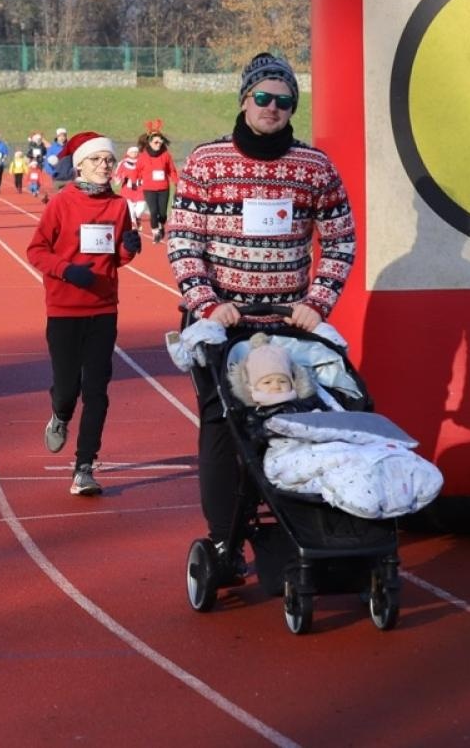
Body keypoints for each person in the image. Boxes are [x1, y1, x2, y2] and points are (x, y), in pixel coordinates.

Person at [167, 52, 355, 572]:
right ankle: (224, 539)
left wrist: (316, 305)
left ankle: (304, 529)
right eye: (263, 98)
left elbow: (340, 242)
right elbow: (183, 240)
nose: (273, 108)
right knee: (224, 427)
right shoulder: (208, 162)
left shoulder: (314, 167)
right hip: (222, 322)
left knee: (296, 422)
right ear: (244, 100)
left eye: (284, 101)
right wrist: (210, 305)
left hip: (287, 327)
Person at [25, 131, 142, 496]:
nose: (104, 166)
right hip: (64, 308)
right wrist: (66, 270)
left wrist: (129, 249)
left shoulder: (119, 206)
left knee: (97, 390)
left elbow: (116, 257)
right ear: (80, 166)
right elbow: (36, 250)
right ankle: (60, 415)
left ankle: (84, 467)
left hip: (103, 308)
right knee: (67, 389)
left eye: (109, 160)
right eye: (96, 160)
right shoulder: (62, 203)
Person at [135, 121, 179, 244]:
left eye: (160, 141)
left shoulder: (166, 155)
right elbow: (137, 170)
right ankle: (156, 233)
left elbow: (172, 170)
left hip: (164, 188)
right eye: (156, 142)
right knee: (154, 212)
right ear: (149, 142)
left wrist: (177, 183)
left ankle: (161, 226)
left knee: (163, 214)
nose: (158, 144)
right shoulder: (143, 156)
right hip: (149, 189)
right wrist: (135, 180)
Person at [116, 144, 146, 232]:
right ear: (128, 153)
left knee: (140, 210)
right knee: (130, 210)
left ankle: (138, 218)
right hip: (128, 190)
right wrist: (120, 177)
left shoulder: (143, 162)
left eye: (136, 152)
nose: (134, 153)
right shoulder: (123, 163)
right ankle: (132, 224)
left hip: (140, 190)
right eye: (132, 152)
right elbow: (118, 174)